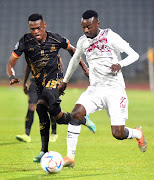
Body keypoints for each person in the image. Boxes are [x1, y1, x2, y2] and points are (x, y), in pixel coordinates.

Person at [58, 10, 148, 167]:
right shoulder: (82, 41)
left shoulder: (110, 36)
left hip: (115, 89)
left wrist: (120, 64)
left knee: (118, 134)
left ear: (97, 24)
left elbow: (134, 55)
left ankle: (137, 133)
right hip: (96, 89)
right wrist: (65, 81)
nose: (86, 30)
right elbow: (75, 60)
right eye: (83, 27)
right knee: (76, 114)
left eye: (89, 27)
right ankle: (70, 157)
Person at [6, 13, 96, 163]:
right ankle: (81, 120)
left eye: (38, 28)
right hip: (39, 83)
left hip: (55, 79)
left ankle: (43, 151)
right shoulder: (25, 41)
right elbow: (10, 64)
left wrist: (85, 68)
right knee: (55, 116)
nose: (35, 31)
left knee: (42, 103)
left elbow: (73, 50)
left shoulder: (55, 38)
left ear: (44, 26)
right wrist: (11, 76)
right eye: (32, 28)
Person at [16, 64, 58, 143]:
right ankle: (26, 134)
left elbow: (59, 65)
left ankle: (53, 133)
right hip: (34, 83)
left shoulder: (52, 51)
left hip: (49, 83)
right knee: (31, 106)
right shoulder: (31, 52)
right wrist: (25, 82)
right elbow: (28, 67)